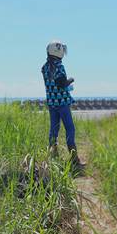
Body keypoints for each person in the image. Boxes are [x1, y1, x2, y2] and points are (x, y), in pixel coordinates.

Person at [41, 39, 85, 172]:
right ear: (58, 51)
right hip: (62, 104)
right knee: (70, 129)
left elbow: (53, 83)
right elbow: (61, 83)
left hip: (52, 103)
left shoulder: (45, 67)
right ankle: (74, 158)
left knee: (54, 129)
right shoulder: (59, 66)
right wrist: (70, 80)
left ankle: (53, 156)